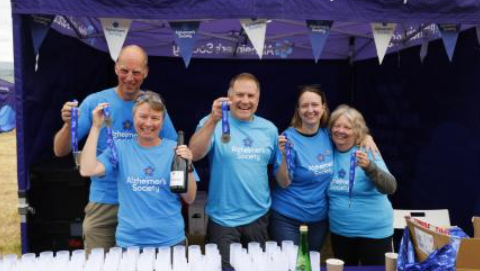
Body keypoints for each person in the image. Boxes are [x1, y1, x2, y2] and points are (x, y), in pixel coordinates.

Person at [53, 45, 177, 253]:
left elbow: (173, 150)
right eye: (124, 70)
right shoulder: (95, 102)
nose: (130, 77)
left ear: (145, 72)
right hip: (105, 199)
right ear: (116, 68)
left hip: (144, 202)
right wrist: (68, 125)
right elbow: (60, 150)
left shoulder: (152, 106)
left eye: (136, 72)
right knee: (98, 262)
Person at [79, 91, 197, 247]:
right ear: (133, 118)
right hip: (130, 243)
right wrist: (95, 127)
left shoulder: (175, 151)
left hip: (170, 241)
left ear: (162, 123)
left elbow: (190, 198)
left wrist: (187, 167)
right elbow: (87, 170)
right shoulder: (120, 148)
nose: (148, 123)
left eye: (155, 118)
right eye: (143, 117)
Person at [270, 85, 378, 252]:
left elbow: (349, 133)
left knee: (311, 263)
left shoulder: (328, 135)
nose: (310, 110)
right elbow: (283, 182)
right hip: (287, 217)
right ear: (298, 110)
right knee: (290, 265)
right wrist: (284, 156)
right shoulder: (288, 139)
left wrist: (367, 137)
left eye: (315, 105)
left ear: (323, 107)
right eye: (305, 105)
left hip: (318, 219)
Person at [189, 73, 278, 267]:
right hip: (223, 218)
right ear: (229, 97)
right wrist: (213, 120)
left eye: (250, 95)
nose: (245, 101)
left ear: (258, 98)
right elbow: (194, 154)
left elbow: (271, 165)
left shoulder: (269, 129)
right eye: (239, 95)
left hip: (258, 216)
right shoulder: (212, 121)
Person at [327, 104, 397, 265]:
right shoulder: (327, 151)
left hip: (374, 233)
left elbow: (390, 187)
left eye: (347, 127)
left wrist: (370, 167)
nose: (340, 131)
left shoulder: (367, 150)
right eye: (337, 126)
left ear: (357, 131)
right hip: (341, 232)